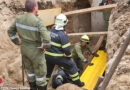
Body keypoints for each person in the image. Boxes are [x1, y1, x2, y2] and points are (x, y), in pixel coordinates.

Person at [8, 0, 51, 90]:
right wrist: (45, 46)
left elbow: (10, 31)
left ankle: (32, 88)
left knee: (30, 71)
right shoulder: (38, 21)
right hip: (36, 50)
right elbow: (47, 38)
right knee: (40, 74)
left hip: (24, 48)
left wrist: (17, 41)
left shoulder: (19, 18)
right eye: (37, 6)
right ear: (35, 8)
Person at [45, 14, 84, 87]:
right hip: (57, 57)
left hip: (47, 56)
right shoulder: (63, 35)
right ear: (64, 23)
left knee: (47, 73)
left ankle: (43, 87)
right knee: (72, 65)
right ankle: (78, 83)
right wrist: (70, 57)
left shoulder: (50, 31)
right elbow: (67, 49)